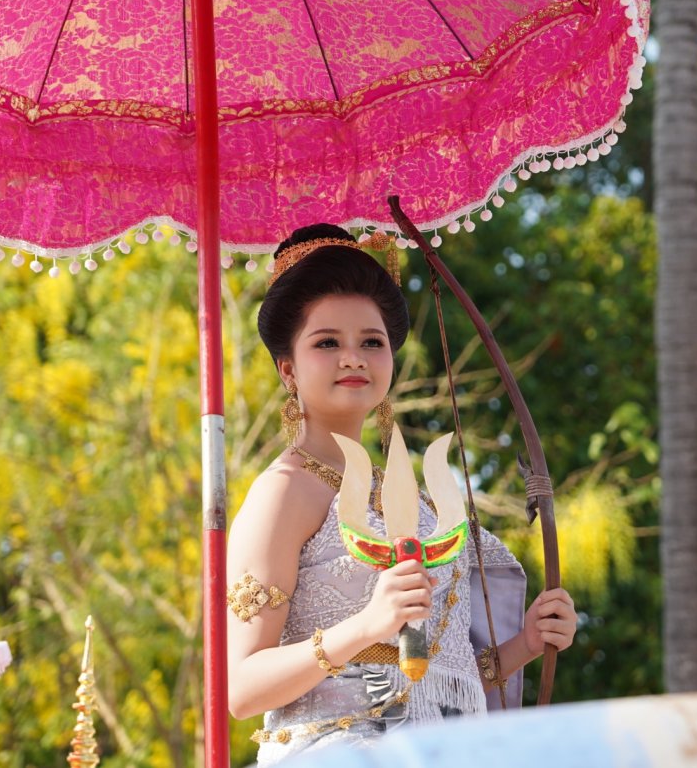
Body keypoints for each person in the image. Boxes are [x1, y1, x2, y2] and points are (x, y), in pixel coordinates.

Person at [226, 224, 578, 764]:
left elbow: (434, 681)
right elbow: (242, 689)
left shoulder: (412, 498)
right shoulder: (283, 492)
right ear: (288, 368)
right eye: (327, 343)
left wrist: (527, 643)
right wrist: (366, 626)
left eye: (372, 342)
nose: (353, 357)